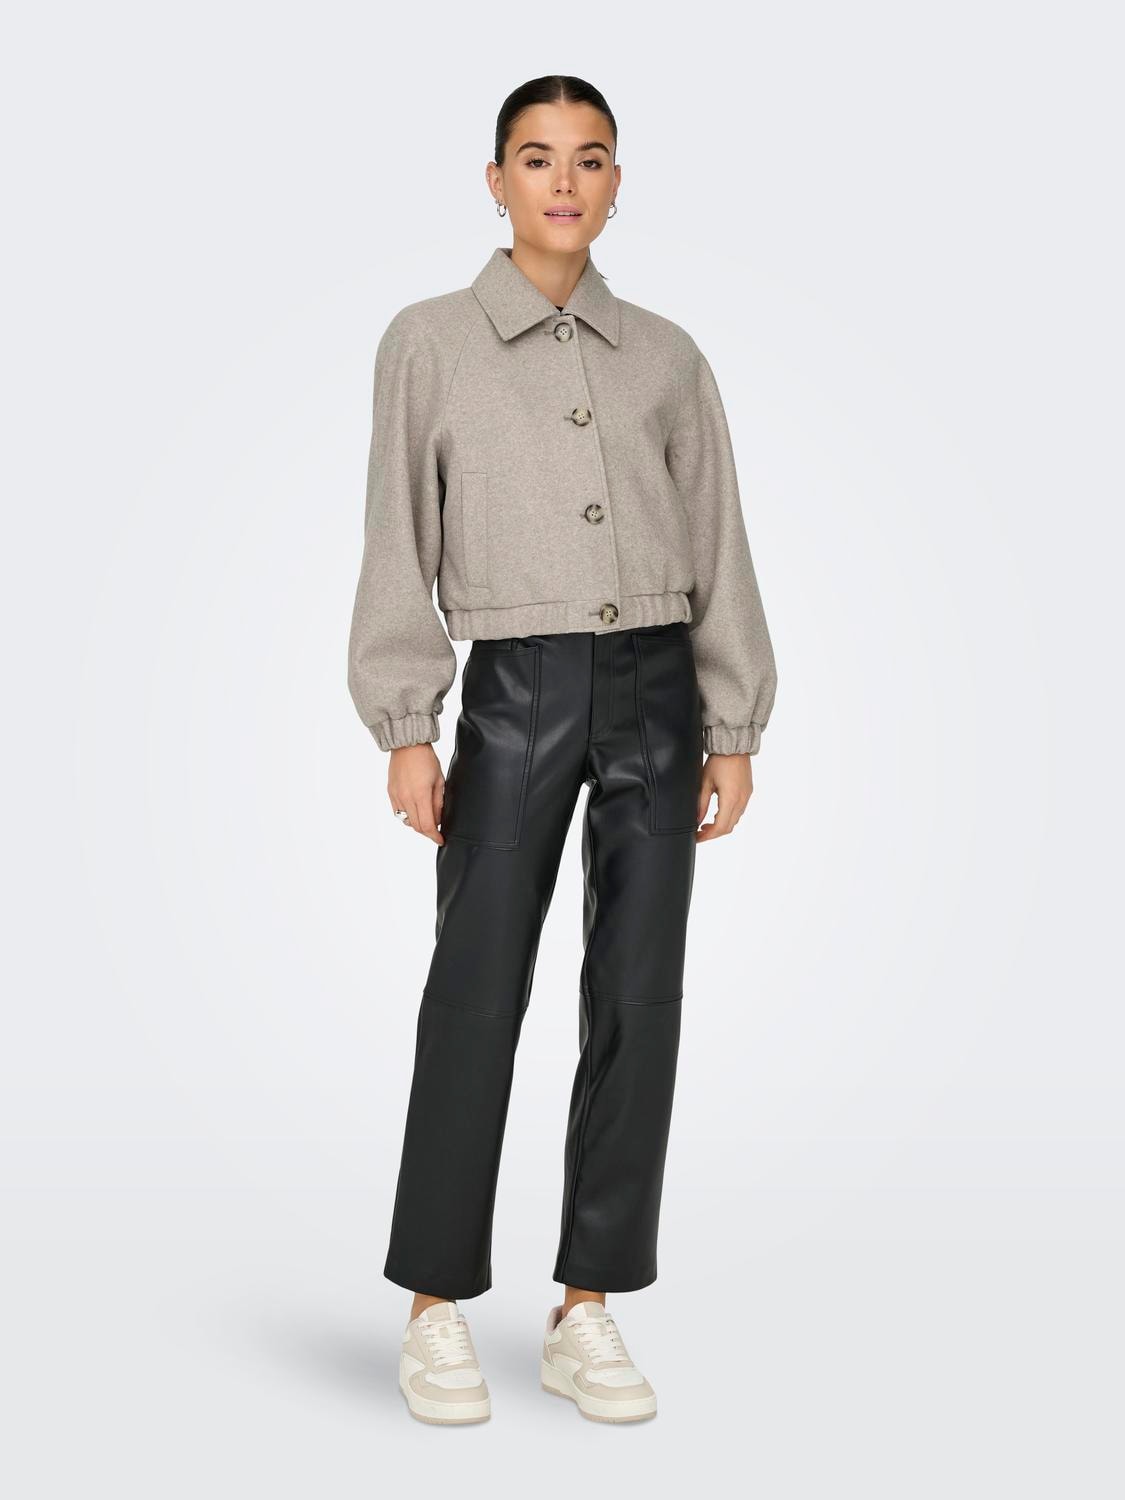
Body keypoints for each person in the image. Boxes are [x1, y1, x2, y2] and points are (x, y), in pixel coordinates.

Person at [347, 74, 778, 1425]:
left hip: (658, 685)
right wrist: (407, 724)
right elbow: (396, 541)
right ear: (496, 181)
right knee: (476, 987)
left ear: (615, 182)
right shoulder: (429, 342)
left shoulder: (666, 356)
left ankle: (586, 1306)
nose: (563, 182)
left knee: (637, 997)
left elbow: (716, 542)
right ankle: (433, 1304)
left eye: (589, 159)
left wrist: (731, 722)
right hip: (515, 689)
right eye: (536, 158)